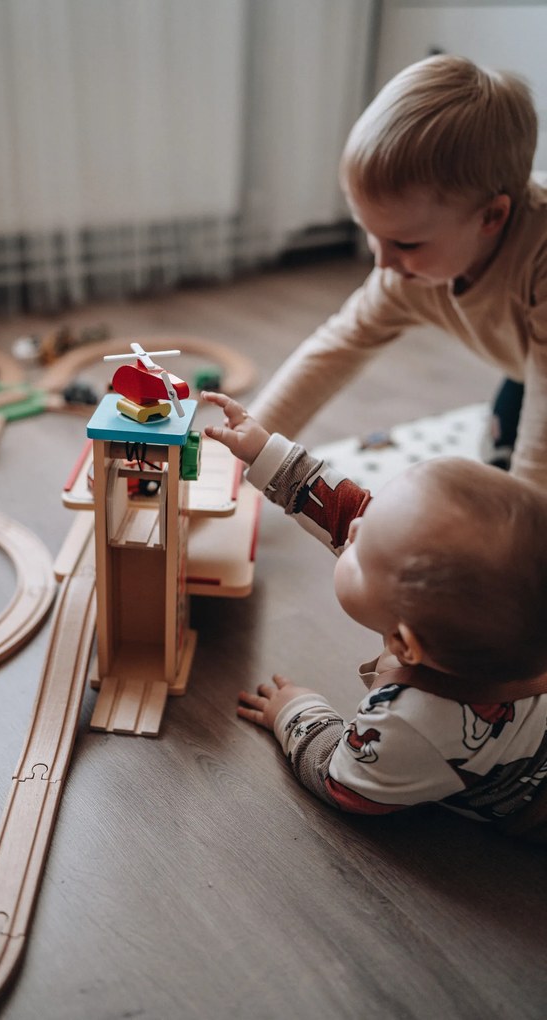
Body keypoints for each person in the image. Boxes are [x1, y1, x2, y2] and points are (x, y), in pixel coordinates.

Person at [202, 390, 547, 841]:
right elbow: (354, 515)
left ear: (405, 645)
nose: (358, 528)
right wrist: (267, 452)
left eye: (362, 553)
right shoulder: (509, 611)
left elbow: (343, 781)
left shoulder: (411, 722)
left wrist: (297, 712)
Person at [248, 54, 547, 488]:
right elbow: (334, 350)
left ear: (490, 218)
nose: (382, 262)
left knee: (520, 502)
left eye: (404, 244)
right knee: (496, 466)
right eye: (369, 233)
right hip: (529, 364)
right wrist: (247, 447)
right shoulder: (404, 273)